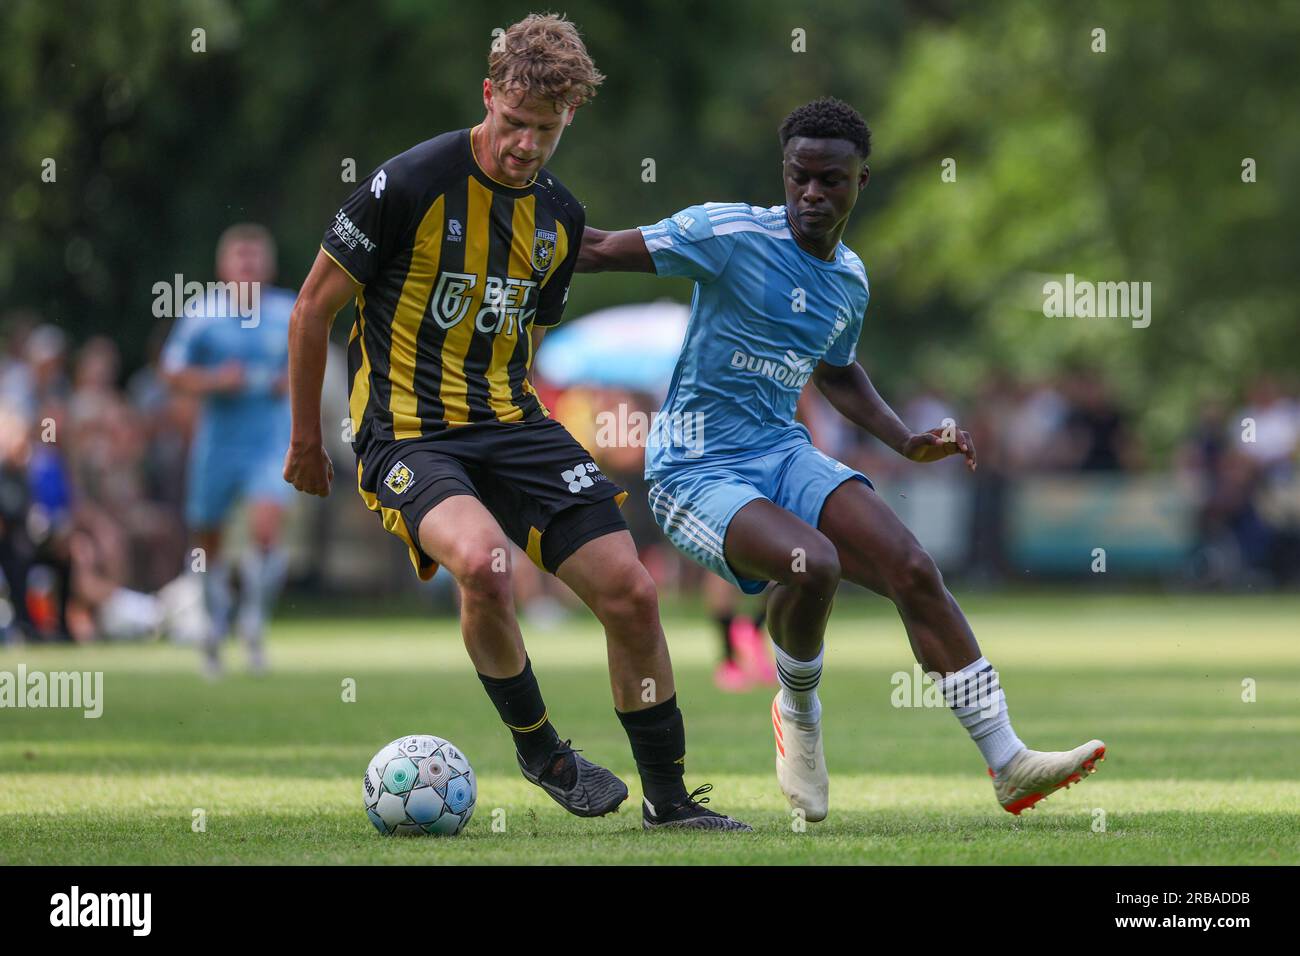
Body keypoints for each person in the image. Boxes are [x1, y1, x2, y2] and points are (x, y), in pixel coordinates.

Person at [576, 96, 1106, 821]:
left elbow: (837, 371)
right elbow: (600, 249)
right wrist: (514, 207)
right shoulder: (727, 232)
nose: (812, 194)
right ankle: (798, 717)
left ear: (863, 181)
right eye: (800, 177)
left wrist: (905, 439)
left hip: (781, 453)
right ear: (783, 171)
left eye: (832, 180)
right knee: (813, 563)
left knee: (914, 569)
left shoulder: (849, 279)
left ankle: (1009, 762)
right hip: (695, 469)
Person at [282, 13, 747, 831]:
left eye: (547, 129)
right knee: (488, 567)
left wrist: (526, 446)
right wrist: (305, 441)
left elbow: (526, 335)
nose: (527, 144)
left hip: (515, 422)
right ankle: (543, 752)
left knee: (633, 595)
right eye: (514, 123)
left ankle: (670, 803)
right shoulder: (410, 183)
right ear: (488, 94)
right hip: (408, 434)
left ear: (571, 118)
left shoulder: (561, 219)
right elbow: (311, 311)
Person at [161, 223, 295, 675]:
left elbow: (310, 358)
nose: (248, 267)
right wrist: (217, 381)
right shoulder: (203, 313)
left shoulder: (288, 310)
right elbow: (172, 371)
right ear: (224, 267)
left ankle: (254, 622)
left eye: (255, 259)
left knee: (265, 530)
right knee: (207, 542)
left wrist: (292, 380)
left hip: (269, 443)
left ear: (268, 266)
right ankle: (213, 625)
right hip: (217, 444)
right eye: (240, 259)